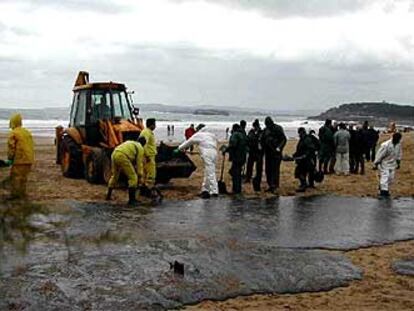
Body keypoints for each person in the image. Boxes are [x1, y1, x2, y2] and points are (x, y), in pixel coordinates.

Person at [176, 124, 218, 199]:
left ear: (199, 129)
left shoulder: (199, 135)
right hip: (214, 152)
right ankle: (205, 190)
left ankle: (214, 191)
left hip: (207, 153)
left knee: (210, 172)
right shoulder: (211, 135)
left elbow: (189, 142)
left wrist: (179, 148)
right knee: (208, 171)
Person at [106, 137, 146, 205]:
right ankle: (132, 200)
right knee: (133, 178)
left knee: (115, 176)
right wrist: (140, 176)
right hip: (122, 156)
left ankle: (108, 196)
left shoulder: (130, 142)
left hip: (114, 154)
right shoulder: (140, 148)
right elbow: (139, 164)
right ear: (143, 144)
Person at [6, 113, 35, 199]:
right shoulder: (26, 132)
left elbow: (11, 147)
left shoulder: (14, 133)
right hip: (29, 159)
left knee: (15, 178)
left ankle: (15, 195)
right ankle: (22, 194)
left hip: (19, 159)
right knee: (23, 178)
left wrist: (10, 158)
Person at [261, 116, 287, 193]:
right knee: (268, 170)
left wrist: (279, 147)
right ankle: (270, 185)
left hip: (276, 153)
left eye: (268, 124)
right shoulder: (265, 130)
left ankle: (275, 185)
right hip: (268, 152)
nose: (267, 125)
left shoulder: (278, 128)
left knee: (275, 169)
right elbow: (262, 140)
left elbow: (283, 139)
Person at [373, 132, 402, 197]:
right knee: (385, 177)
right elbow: (379, 154)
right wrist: (376, 163)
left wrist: (398, 162)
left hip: (393, 164)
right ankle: (383, 192)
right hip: (384, 163)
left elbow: (399, 153)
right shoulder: (385, 145)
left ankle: (385, 189)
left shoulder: (398, 144)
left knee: (391, 178)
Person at [225, 123, 248, 195]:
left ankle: (236, 190)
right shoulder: (243, 134)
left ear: (234, 128)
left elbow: (233, 145)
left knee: (235, 173)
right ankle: (238, 189)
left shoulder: (235, 134)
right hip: (243, 157)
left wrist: (226, 149)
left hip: (236, 157)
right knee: (237, 172)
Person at [293, 127, 316, 192]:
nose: (299, 135)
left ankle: (304, 185)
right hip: (304, 159)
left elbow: (310, 148)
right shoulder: (303, 139)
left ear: (301, 132)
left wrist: (305, 155)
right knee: (306, 172)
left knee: (299, 172)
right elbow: (299, 150)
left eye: (299, 133)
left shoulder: (306, 139)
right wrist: (294, 155)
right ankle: (309, 184)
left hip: (306, 159)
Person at [139, 118, 157, 191]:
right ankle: (148, 189)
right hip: (148, 156)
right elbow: (143, 144)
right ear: (152, 125)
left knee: (146, 174)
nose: (155, 126)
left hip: (150, 155)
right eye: (154, 124)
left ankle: (144, 188)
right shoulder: (146, 132)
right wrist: (147, 155)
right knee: (150, 174)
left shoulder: (148, 132)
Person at [245, 119, 263, 191]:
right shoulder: (251, 132)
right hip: (252, 151)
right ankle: (248, 178)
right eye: (254, 126)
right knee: (249, 165)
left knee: (259, 167)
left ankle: (258, 178)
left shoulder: (261, 132)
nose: (255, 127)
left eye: (256, 126)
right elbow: (248, 139)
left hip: (259, 152)